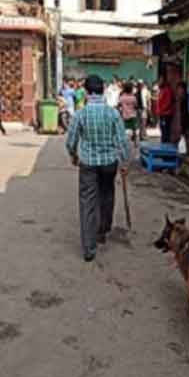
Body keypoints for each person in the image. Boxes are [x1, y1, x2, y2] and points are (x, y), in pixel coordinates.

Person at [64, 75, 130, 262]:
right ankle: (102, 230)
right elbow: (122, 141)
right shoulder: (113, 114)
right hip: (109, 163)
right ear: (102, 90)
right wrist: (125, 162)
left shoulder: (81, 114)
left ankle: (88, 249)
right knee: (107, 194)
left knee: (87, 202)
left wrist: (73, 155)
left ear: (86, 92)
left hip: (88, 164)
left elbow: (70, 141)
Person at [156, 76, 174, 143]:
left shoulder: (167, 90)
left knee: (166, 131)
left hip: (166, 114)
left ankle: (166, 145)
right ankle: (164, 143)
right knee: (163, 130)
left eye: (160, 80)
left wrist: (161, 110)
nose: (159, 82)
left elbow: (168, 102)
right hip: (162, 114)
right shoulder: (162, 90)